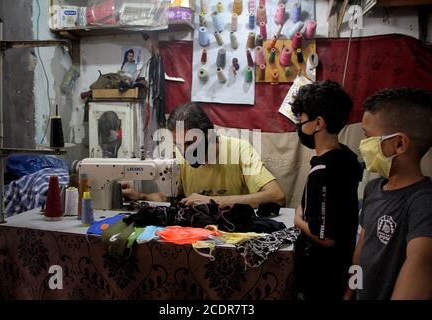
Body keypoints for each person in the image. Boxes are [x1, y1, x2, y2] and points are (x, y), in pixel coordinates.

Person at [345, 88, 432, 300]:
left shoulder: (423, 202)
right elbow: (361, 249)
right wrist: (350, 292)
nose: (363, 145)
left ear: (399, 143)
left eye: (368, 137)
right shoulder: (373, 189)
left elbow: (420, 267)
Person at [122, 102, 286, 208]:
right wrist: (141, 196)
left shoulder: (240, 150)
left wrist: (215, 202)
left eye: (190, 143)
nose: (184, 152)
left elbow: (277, 196)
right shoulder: (179, 159)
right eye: (178, 144)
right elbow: (168, 197)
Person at [291, 80, 363, 300]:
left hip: (323, 277)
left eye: (301, 120)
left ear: (318, 123)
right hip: (341, 267)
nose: (299, 126)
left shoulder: (324, 171)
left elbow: (327, 237)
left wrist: (298, 220)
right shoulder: (347, 156)